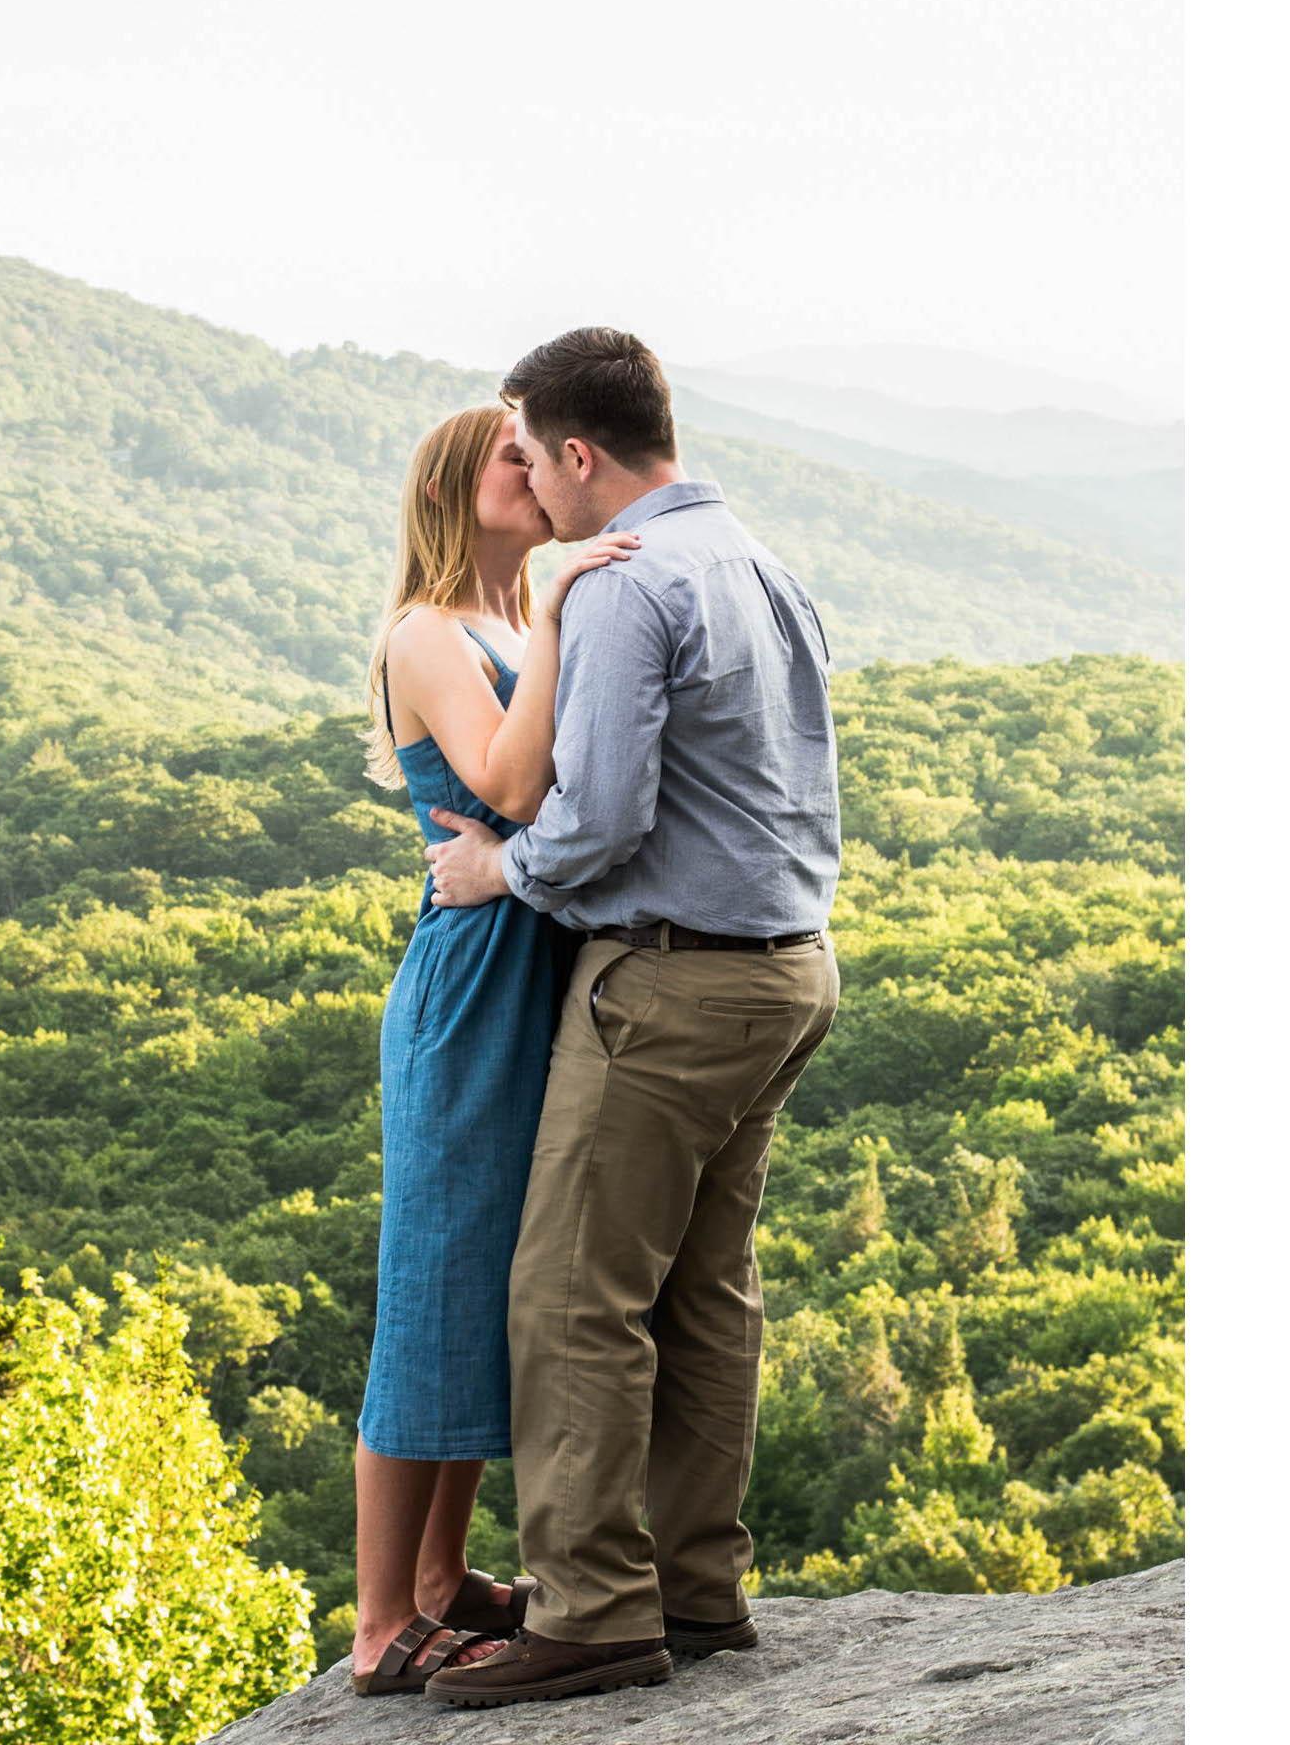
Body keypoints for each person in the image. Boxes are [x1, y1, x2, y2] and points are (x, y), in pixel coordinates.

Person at [418, 328, 843, 1710]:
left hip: (668, 982)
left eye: (533, 456)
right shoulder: (757, 563)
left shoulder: (624, 589)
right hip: (789, 969)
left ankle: (595, 1611)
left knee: (570, 1297)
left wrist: (497, 870)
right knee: (705, 1295)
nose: (530, 485)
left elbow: (596, 820)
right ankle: (698, 1590)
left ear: (581, 453)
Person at [347, 402, 643, 1697]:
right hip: (471, 985)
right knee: (430, 1288)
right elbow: (514, 789)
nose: (533, 471)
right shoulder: (426, 630)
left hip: (536, 967)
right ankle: (376, 1628)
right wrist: (571, 611)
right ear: (458, 491)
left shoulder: (518, 621)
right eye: (509, 459)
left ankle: (437, 1581)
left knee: (489, 1295)